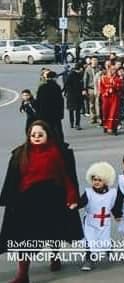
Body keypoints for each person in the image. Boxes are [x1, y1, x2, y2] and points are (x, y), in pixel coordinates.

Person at [0, 121, 83, 282]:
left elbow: (68, 177)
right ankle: (23, 274)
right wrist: (10, 201)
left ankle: (54, 257)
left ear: (47, 135)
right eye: (33, 135)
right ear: (28, 136)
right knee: (24, 238)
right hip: (27, 201)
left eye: (40, 135)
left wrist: (72, 197)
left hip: (52, 199)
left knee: (54, 232)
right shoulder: (19, 154)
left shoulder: (59, 152)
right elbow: (12, 179)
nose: (36, 137)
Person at [79, 161, 117, 271]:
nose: (96, 182)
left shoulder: (112, 193)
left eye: (100, 180)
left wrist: (117, 215)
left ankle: (109, 247)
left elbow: (114, 206)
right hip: (91, 222)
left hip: (105, 222)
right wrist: (74, 205)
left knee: (104, 239)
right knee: (90, 241)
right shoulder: (88, 192)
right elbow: (81, 203)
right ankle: (89, 260)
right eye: (94, 179)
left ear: (106, 180)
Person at [35, 71, 65, 146]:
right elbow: (60, 101)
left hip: (43, 113)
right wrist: (61, 113)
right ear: (54, 78)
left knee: (46, 129)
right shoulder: (56, 87)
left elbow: (38, 101)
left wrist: (39, 113)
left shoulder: (42, 87)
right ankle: (60, 144)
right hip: (55, 113)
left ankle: (46, 143)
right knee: (57, 130)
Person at [100, 67, 123, 135]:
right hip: (106, 97)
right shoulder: (103, 78)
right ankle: (106, 126)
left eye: (113, 70)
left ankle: (113, 128)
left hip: (114, 97)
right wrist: (105, 92)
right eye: (110, 70)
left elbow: (120, 87)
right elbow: (101, 87)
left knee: (113, 113)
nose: (112, 71)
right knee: (105, 112)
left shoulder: (117, 79)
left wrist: (115, 87)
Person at [63, 63, 84, 130]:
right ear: (80, 68)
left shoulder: (79, 75)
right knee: (73, 110)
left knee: (75, 110)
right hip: (72, 95)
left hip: (76, 95)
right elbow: (67, 84)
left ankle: (76, 124)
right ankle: (74, 123)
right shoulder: (72, 75)